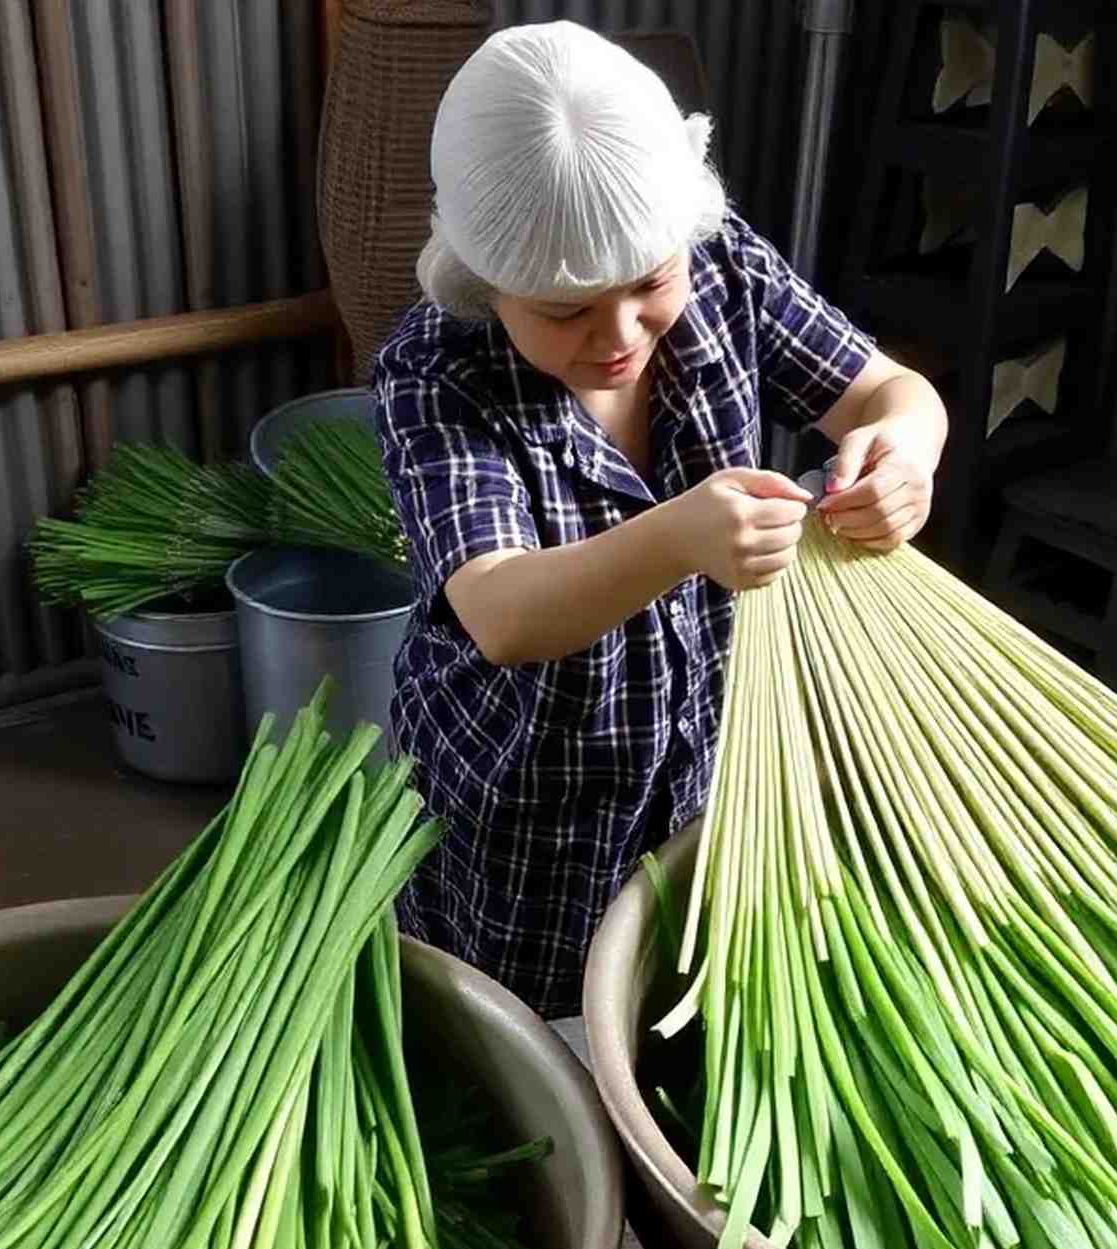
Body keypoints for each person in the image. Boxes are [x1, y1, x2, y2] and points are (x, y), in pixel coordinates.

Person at [372, 20, 947, 1018]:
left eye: (647, 284)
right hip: (520, 813)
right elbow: (501, 610)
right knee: (522, 1033)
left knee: (670, 1001)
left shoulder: (723, 271)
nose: (620, 334)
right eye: (565, 310)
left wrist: (903, 457)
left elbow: (891, 392)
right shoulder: (437, 372)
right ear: (486, 281)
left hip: (703, 773)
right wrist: (678, 537)